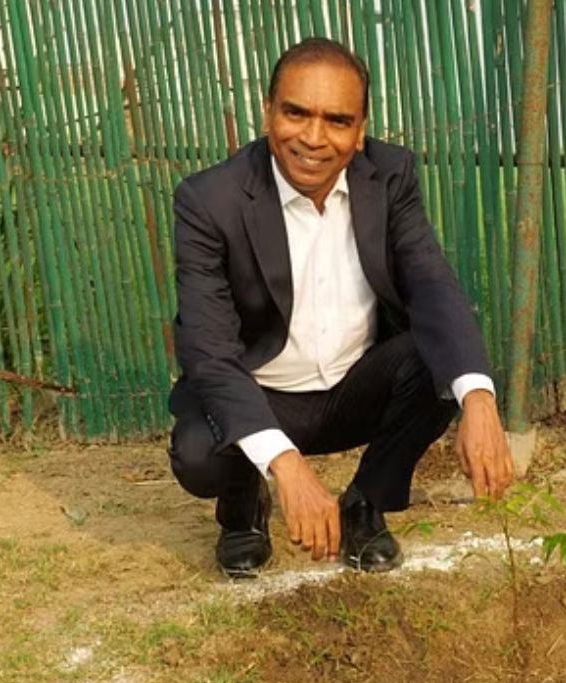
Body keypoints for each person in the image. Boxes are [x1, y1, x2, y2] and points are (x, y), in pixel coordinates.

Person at [166, 37, 514, 578]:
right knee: (198, 452)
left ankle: (363, 504)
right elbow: (209, 353)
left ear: (359, 131)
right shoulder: (210, 201)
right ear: (268, 114)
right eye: (296, 113)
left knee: (441, 366)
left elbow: (432, 284)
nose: (313, 137)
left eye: (336, 120)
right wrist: (286, 467)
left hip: (356, 386)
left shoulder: (389, 175)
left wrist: (481, 400)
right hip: (264, 393)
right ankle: (241, 508)